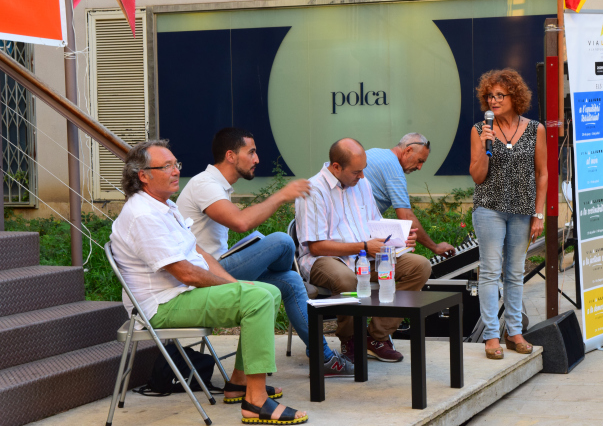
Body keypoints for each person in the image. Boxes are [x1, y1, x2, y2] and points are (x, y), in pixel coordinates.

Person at [110, 140, 308, 424]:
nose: (176, 171)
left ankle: (240, 381)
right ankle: (255, 402)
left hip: (181, 293)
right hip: (161, 306)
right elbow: (186, 273)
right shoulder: (142, 214)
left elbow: (199, 253)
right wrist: (235, 288)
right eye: (166, 167)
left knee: (269, 291)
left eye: (176, 164)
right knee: (257, 298)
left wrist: (235, 283)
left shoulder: (165, 206)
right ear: (143, 175)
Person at [176, 127, 353, 377]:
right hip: (204, 274)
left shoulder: (217, 186)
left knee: (290, 280)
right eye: (251, 152)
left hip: (217, 267)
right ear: (230, 156)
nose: (257, 159)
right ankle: (285, 275)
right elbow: (240, 222)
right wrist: (281, 196)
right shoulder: (205, 184)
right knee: (282, 241)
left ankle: (323, 357)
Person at [295, 138, 432, 363]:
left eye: (363, 170)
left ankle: (376, 336)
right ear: (336, 167)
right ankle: (350, 339)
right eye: (356, 172)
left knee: (420, 266)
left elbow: (375, 224)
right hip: (326, 259)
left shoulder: (362, 183)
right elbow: (317, 246)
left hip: (365, 255)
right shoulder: (314, 190)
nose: (361, 176)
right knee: (347, 279)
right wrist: (365, 246)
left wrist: (399, 237)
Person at [469, 69, 547, 360]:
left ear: (515, 97)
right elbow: (477, 177)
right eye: (490, 96)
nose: (494, 100)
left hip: (522, 211)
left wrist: (539, 214)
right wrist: (484, 147)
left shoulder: (535, 129)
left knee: (515, 273)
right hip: (489, 208)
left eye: (500, 95)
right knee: (490, 272)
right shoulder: (480, 130)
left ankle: (513, 332)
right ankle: (491, 335)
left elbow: (542, 173)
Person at [363, 133, 456, 257]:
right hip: (357, 236)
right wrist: (435, 247)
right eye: (420, 161)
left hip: (347, 226)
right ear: (408, 150)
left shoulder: (375, 152)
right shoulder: (395, 171)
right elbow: (406, 216)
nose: (419, 167)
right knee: (418, 264)